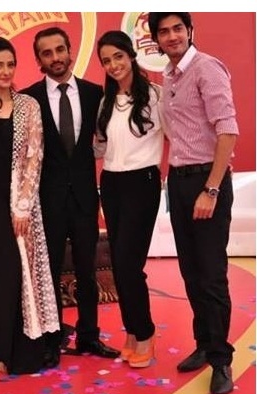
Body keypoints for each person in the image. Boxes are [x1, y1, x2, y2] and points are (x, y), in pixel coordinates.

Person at [148, 12, 238, 394]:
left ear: (189, 31)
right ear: (156, 39)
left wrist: (211, 189)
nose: (172, 36)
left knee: (212, 274)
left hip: (207, 182)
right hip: (180, 182)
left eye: (177, 29)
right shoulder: (169, 76)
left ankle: (221, 360)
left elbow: (228, 131)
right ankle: (204, 343)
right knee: (191, 272)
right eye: (164, 31)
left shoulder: (206, 69)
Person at [22, 27, 120, 368]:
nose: (55, 58)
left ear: (70, 50)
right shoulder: (28, 99)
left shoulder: (95, 94)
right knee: (48, 273)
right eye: (47, 53)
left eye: (60, 49)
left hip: (84, 198)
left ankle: (90, 335)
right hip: (46, 202)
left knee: (86, 270)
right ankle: (52, 340)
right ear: (38, 59)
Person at [0, 37, 59, 375]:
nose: (5, 71)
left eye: (10, 64)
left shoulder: (28, 106)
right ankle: (0, 348)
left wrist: (22, 207)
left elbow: (35, 158)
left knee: (20, 275)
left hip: (17, 209)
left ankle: (25, 350)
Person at [95, 31, 163, 368]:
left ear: (131, 55)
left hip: (142, 182)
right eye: (106, 61)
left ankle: (146, 334)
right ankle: (133, 333)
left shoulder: (155, 96)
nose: (113, 65)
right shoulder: (106, 102)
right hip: (111, 183)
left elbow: (177, 133)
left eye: (118, 57)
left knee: (128, 265)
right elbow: (100, 147)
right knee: (120, 267)